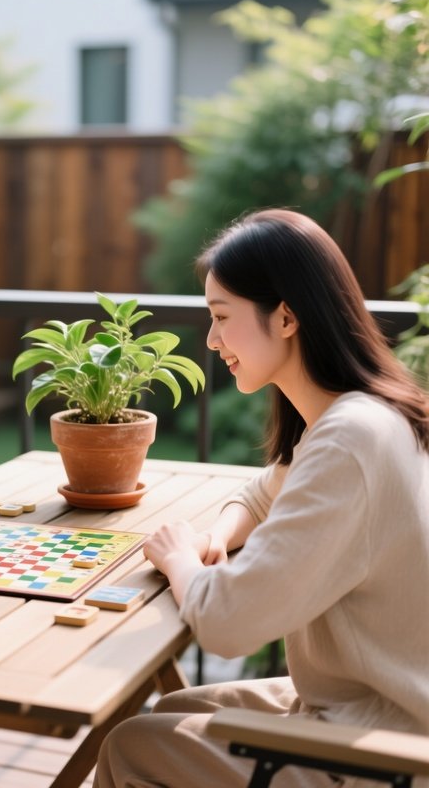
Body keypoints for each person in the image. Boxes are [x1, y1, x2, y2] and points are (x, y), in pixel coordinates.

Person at [94, 208, 429, 788]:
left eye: (222, 317)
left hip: (384, 749)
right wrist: (217, 536)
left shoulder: (349, 441)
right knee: (171, 714)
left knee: (131, 745)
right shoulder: (366, 415)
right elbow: (266, 488)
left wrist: (177, 558)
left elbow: (228, 621)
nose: (211, 338)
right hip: (370, 701)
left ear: (287, 317)